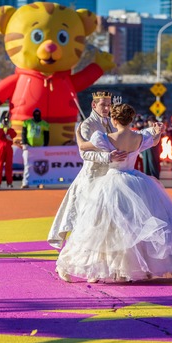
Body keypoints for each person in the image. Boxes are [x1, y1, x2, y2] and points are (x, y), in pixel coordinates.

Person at [54, 103, 172, 283]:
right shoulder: (139, 137)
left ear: (114, 120)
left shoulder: (103, 137)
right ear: (131, 119)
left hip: (111, 182)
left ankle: (89, 266)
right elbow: (154, 142)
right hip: (135, 181)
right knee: (133, 227)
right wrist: (157, 132)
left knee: (102, 227)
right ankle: (129, 269)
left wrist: (78, 132)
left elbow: (83, 147)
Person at [48, 91, 127, 251]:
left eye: (109, 105)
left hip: (110, 178)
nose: (106, 108)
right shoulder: (87, 125)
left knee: (108, 220)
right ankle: (74, 255)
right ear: (94, 105)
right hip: (91, 178)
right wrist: (107, 157)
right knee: (86, 219)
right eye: (103, 105)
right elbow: (84, 153)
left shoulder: (112, 123)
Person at [21, 108, 50, 188]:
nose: (37, 115)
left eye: (38, 113)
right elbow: (23, 133)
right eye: (35, 113)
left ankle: (40, 182)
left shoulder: (44, 124)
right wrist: (24, 143)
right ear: (33, 114)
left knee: (41, 166)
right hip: (29, 147)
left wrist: (45, 146)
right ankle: (25, 183)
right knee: (27, 165)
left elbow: (47, 136)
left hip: (40, 147)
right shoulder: (27, 122)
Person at [0, 111, 17, 188]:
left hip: (8, 148)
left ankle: (9, 182)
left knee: (9, 166)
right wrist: (3, 128)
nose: (6, 121)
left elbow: (14, 134)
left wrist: (8, 128)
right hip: (1, 148)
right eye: (5, 120)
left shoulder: (10, 130)